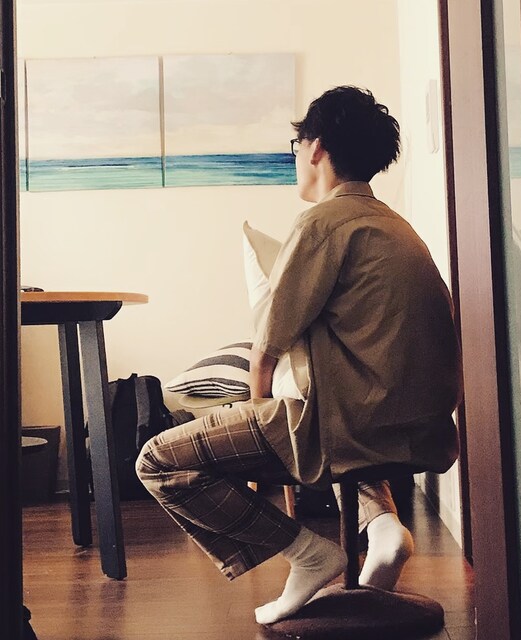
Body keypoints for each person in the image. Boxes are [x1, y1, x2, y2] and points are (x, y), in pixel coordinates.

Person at [136, 85, 462, 625]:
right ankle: (384, 528)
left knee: (158, 461)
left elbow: (268, 344)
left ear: (317, 148)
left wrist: (254, 411)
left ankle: (308, 554)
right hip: (416, 428)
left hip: (351, 426)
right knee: (335, 405)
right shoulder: (395, 225)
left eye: (297, 145)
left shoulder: (322, 224)